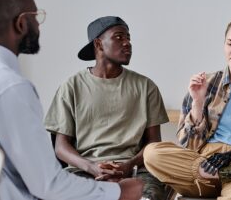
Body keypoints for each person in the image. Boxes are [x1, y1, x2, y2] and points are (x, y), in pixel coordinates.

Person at [0, 0, 143, 199]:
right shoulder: (13, 88)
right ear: (21, 24)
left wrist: (127, 167)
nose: (39, 25)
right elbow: (48, 184)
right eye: (36, 17)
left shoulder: (144, 87)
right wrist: (119, 191)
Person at [143, 15, 231, 199]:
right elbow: (188, 144)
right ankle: (221, 174)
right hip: (204, 163)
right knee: (152, 153)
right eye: (230, 43)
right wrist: (197, 102)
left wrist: (229, 157)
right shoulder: (206, 83)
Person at [44, 15, 170, 200]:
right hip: (84, 171)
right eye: (119, 37)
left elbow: (153, 144)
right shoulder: (71, 87)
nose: (127, 43)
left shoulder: (146, 87)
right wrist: (92, 168)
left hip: (135, 171)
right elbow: (61, 147)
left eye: (128, 37)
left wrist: (128, 166)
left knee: (149, 196)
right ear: (98, 44)